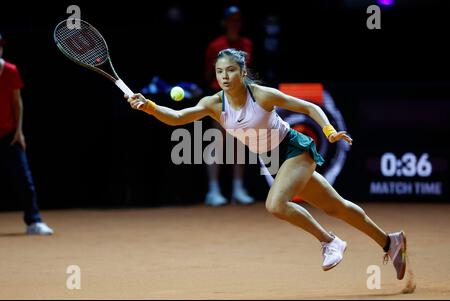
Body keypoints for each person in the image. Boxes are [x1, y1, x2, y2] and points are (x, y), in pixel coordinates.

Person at [126, 48, 407, 279]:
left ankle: (329, 240)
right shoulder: (213, 103)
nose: (225, 76)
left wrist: (328, 131)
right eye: (219, 71)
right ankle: (390, 242)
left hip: (295, 149)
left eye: (231, 70)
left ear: (243, 72)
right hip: (273, 160)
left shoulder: (261, 95)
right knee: (337, 206)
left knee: (275, 205)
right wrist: (149, 106)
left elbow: (310, 107)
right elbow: (176, 117)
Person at [0, 32, 53, 235]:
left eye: (0, 45)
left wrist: (19, 131)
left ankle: (34, 222)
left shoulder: (11, 70)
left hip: (9, 135)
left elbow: (16, 102)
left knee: (25, 179)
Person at [203, 5, 255, 206]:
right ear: (225, 23)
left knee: (239, 143)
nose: (234, 23)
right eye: (231, 20)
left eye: (237, 20)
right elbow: (208, 74)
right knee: (217, 142)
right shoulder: (215, 46)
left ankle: (238, 189)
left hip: (240, 98)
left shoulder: (247, 44)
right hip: (220, 98)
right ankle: (213, 191)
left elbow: (245, 73)